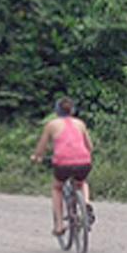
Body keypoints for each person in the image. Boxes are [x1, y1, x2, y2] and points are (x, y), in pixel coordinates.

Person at [31, 98, 94, 236]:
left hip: (63, 164)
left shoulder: (51, 125)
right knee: (82, 182)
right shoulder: (80, 124)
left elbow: (41, 147)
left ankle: (59, 225)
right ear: (72, 110)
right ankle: (87, 202)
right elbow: (90, 146)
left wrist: (37, 157)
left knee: (57, 188)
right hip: (83, 162)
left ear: (57, 111)